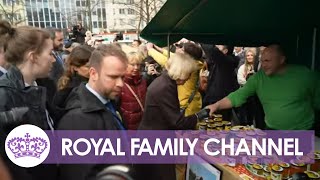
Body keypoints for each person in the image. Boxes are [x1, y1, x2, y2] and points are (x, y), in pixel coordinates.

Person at [206, 44, 320, 130]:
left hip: (303, 133)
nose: (263, 65)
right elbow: (237, 96)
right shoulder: (259, 78)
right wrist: (216, 105)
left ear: (281, 60)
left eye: (267, 61)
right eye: (261, 61)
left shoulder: (306, 75)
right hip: (272, 131)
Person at [57, 44, 128, 180]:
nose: (120, 84)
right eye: (113, 77)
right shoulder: (77, 120)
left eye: (122, 77)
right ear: (93, 74)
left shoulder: (108, 103)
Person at [138, 53, 210, 180]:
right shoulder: (165, 86)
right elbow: (176, 122)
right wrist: (198, 116)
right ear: (181, 72)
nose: (188, 78)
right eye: (188, 73)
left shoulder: (166, 81)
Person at [0, 20, 57, 180]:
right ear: (33, 57)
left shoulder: (41, 85)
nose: (53, 59)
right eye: (50, 53)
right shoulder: (4, 96)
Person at [146, 41, 204, 116]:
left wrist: (150, 50)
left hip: (187, 105)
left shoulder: (190, 66)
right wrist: (159, 49)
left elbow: (167, 61)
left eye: (182, 49)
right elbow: (172, 56)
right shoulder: (194, 62)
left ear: (187, 55)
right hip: (190, 102)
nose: (178, 49)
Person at [53, 45, 93, 121]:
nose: (93, 70)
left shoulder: (68, 84)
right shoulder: (77, 90)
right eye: (88, 67)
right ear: (75, 67)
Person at [201, 44, 239, 121]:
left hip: (221, 101)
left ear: (225, 51)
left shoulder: (226, 61)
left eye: (218, 46)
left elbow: (212, 51)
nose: (216, 47)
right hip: (215, 99)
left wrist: (202, 37)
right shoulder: (219, 62)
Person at [119, 52, 147, 130]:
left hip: (144, 126)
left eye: (138, 64)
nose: (136, 67)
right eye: (132, 64)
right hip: (128, 129)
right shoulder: (120, 83)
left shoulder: (143, 80)